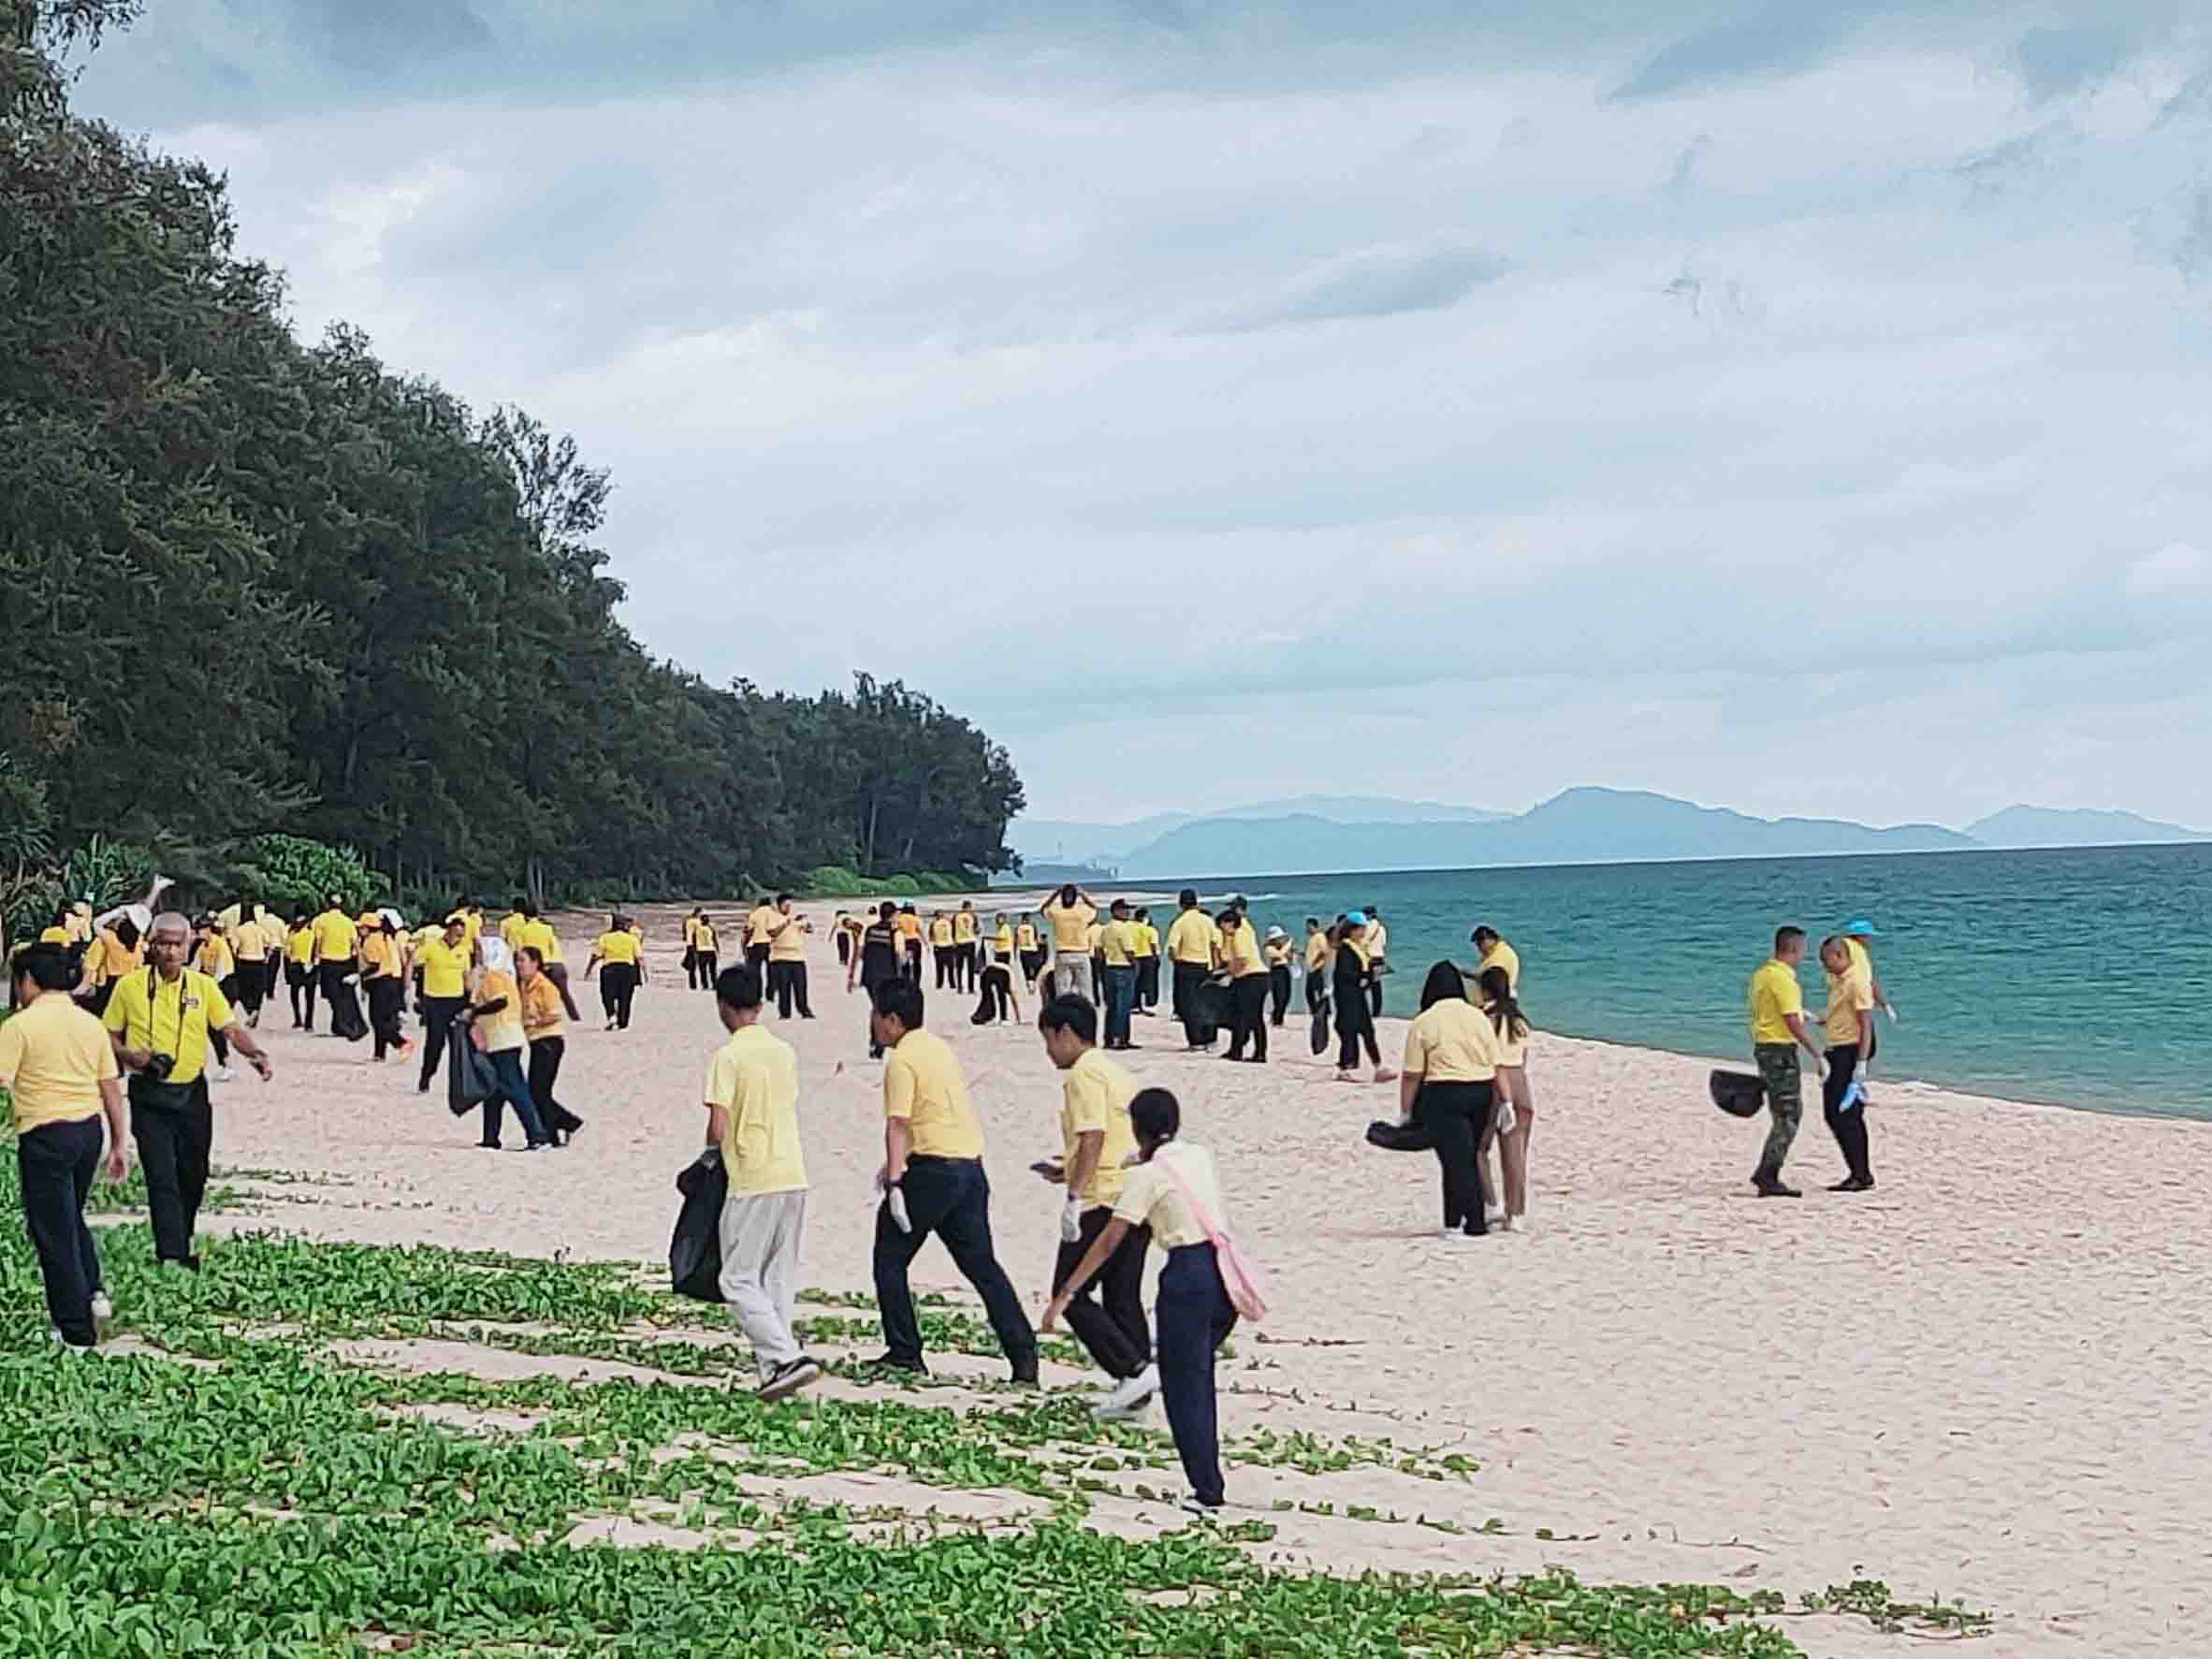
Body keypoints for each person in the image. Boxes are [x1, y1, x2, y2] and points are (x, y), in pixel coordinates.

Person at [1044, 1087, 1235, 1515]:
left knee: (1184, 1389)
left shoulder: (1144, 1177)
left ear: (1136, 1129)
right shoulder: (1197, 1156)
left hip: (1186, 1276)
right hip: (1223, 1274)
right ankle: (1208, 1482)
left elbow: (1110, 1240)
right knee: (1198, 1376)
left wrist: (1068, 1292)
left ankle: (1206, 1491)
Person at [866, 979, 1037, 1381]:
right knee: (982, 1267)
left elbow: (898, 1122)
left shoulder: (901, 1060)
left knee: (889, 1258)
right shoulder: (938, 1048)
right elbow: (933, 1112)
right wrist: (895, 1163)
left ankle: (905, 1351)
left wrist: (895, 1183)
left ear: (892, 1020)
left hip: (932, 1172)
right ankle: (1023, 1354)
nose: (872, 1022)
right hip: (969, 1168)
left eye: (876, 1015)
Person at [105, 911, 273, 1268]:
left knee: (194, 1173)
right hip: (148, 1094)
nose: (169, 951)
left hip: (191, 1095)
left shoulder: (203, 986)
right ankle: (173, 1254)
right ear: (151, 945)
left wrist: (255, 1054)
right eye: (162, 943)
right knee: (161, 1175)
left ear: (188, 947)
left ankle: (182, 1236)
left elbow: (229, 1028)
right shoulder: (129, 987)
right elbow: (109, 1034)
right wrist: (130, 1056)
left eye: (176, 944)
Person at [1, 943, 129, 1346]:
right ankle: (93, 1291)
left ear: (28, 980)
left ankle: (75, 1331)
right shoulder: (89, 1023)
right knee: (69, 1215)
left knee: (52, 1231)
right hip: (88, 1132)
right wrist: (119, 1143)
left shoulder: (20, 1026)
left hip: (46, 1134)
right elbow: (110, 1086)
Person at [704, 963, 821, 1398]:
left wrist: (708, 1157)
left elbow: (718, 1125)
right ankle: (775, 1368)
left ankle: (787, 1357)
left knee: (736, 1278)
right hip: (792, 1170)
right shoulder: (784, 1051)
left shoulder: (729, 1056)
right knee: (778, 1278)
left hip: (752, 1175)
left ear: (724, 1006)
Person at [1036, 997, 1155, 1417]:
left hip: (1102, 1197)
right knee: (1122, 1295)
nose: (1049, 1051)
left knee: (1069, 1291)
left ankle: (1133, 1370)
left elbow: (1093, 1136)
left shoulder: (1082, 1074)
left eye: (1049, 1040)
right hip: (1134, 1192)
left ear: (1066, 1033)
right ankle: (1138, 1389)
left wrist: (1073, 1197)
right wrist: (1066, 1170)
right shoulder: (1114, 1071)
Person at [1399, 962, 1506, 1239]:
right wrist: (1505, 1100)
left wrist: (1406, 1110)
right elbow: (1496, 1063)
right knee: (1467, 1157)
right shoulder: (1478, 1017)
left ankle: (1461, 1223)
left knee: (1453, 1160)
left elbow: (1412, 1074)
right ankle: (1469, 1221)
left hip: (1444, 1092)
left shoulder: (1425, 1021)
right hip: (1482, 1090)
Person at [1746, 926, 1828, 1198]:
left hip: (1763, 1045)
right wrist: (1817, 1055)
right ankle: (1768, 1174)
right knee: (1789, 1114)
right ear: (1793, 948)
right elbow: (1791, 1021)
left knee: (1780, 1111)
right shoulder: (1785, 980)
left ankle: (1767, 1172)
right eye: (1802, 949)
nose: (1804, 954)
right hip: (1780, 1049)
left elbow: (1776, 1008)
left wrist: (1810, 1016)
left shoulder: (1763, 974)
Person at [468, 938, 552, 1152]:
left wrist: (474, 1012)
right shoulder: (504, 975)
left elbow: (500, 1001)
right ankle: (490, 1137)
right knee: (494, 1089)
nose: (477, 954)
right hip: (503, 1036)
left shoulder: (493, 975)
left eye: (480, 950)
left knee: (515, 1088)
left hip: (502, 1037)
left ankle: (537, 1135)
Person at [1475, 965, 1535, 1231]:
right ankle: (1517, 1212)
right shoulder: (1520, 1021)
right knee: (1516, 1153)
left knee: (1479, 1148)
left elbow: (1486, 1056)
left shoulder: (1484, 1019)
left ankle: (1491, 1202)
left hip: (1494, 1080)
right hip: (1520, 1079)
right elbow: (1523, 1057)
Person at [1817, 937, 1876, 1192]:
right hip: (1836, 1047)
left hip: (1850, 1049)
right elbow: (1842, 1015)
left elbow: (1865, 1024)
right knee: (1833, 1113)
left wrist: (1861, 1063)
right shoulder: (1838, 981)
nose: (1824, 965)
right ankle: (1857, 1172)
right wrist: (1821, 1019)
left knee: (1845, 1114)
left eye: (1826, 960)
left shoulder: (1856, 982)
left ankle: (1861, 1175)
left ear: (1839, 955)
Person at [517, 945, 584, 1147]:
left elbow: (554, 1014)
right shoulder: (524, 985)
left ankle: (570, 1122)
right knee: (538, 1092)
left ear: (535, 963)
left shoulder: (545, 986)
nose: (519, 965)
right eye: (518, 960)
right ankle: (552, 1134)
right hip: (536, 1041)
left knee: (538, 1092)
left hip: (549, 1041)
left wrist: (533, 1022)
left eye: (523, 960)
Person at [1332, 912, 1394, 1084]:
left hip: (1357, 995)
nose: (1363, 932)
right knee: (1349, 1031)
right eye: (1360, 928)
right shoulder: (1345, 949)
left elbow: (1361, 970)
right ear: (1351, 930)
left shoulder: (1358, 947)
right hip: (1347, 996)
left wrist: (1371, 974)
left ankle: (1378, 1067)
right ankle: (1345, 1068)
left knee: (1367, 1030)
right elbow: (1345, 973)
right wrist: (1363, 977)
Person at [415, 914, 472, 1093]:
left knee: (458, 1044)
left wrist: (471, 999)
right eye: (456, 933)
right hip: (435, 1001)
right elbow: (415, 960)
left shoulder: (463, 951)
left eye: (461, 935)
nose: (458, 938)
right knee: (435, 1043)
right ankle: (426, 1077)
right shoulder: (432, 946)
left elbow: (467, 976)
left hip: (456, 1001)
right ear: (448, 930)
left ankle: (459, 1084)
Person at [849, 902, 904, 1058]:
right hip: (888, 977)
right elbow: (899, 956)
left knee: (877, 1009)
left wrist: (852, 975)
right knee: (887, 1010)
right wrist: (900, 979)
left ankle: (875, 1043)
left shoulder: (869, 930)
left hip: (869, 976)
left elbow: (859, 953)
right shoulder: (895, 933)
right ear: (893, 915)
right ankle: (881, 1043)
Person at [1165, 891, 1218, 1050]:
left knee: (1188, 1005)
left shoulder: (1180, 922)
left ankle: (1196, 1041)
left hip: (1186, 966)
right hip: (1206, 965)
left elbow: (1172, 948)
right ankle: (1210, 1038)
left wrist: (1176, 961)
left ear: (1181, 904)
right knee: (1208, 1002)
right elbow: (1215, 944)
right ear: (1196, 903)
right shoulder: (1207, 920)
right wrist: (1215, 965)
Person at [360, 914, 415, 1064]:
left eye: (362, 927)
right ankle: (379, 1053)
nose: (360, 930)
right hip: (392, 981)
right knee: (384, 1018)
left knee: (377, 1020)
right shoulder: (387, 937)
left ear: (368, 928)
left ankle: (401, 1042)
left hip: (379, 982)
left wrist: (360, 975)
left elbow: (374, 964)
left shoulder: (371, 941)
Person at [512, 904, 581, 1021]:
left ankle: (525, 1015)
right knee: (564, 993)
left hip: (533, 964)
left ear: (524, 916)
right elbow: (553, 947)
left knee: (525, 991)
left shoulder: (520, 930)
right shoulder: (548, 928)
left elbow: (519, 949)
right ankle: (575, 1016)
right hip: (550, 962)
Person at [1218, 906, 1269, 1064]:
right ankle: (1239, 1050)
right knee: (1244, 1016)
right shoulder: (1242, 933)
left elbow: (1242, 959)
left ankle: (1255, 1053)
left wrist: (1228, 973)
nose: (1222, 930)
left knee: (1249, 1017)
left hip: (1251, 978)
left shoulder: (1239, 935)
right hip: (1256, 977)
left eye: (1222, 926)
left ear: (1230, 923)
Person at [191, 917, 238, 1082]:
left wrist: (208, 987)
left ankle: (227, 1064)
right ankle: (225, 1063)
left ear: (208, 929)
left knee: (215, 1026)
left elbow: (221, 971)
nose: (198, 933)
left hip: (225, 985)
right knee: (212, 1028)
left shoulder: (219, 943)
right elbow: (195, 967)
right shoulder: (203, 947)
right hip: (213, 985)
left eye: (200, 930)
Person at [309, 894, 361, 1039]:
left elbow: (317, 941)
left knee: (333, 995)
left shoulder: (321, 920)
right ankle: (338, 1024)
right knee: (342, 994)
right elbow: (355, 944)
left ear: (327, 904)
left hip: (328, 962)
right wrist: (357, 962)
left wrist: (314, 959)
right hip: (345, 962)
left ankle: (341, 1024)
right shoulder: (348, 921)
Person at [587, 912, 645, 1031]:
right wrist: (645, 972)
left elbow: (596, 955)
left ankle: (611, 1015)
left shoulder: (605, 938)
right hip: (628, 969)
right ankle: (623, 1022)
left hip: (609, 969)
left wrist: (589, 969)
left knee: (607, 995)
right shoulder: (632, 938)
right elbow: (639, 957)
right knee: (626, 997)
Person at [1041, 884, 1099, 1001]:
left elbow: (1043, 909)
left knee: (1062, 991)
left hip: (1063, 954)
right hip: (1081, 953)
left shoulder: (1057, 912)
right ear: (1075, 897)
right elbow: (1095, 908)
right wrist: (1083, 894)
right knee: (1086, 991)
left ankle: (1064, 1011)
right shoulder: (1082, 912)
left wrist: (1055, 894)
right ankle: (1086, 1011)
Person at [1099, 899, 1142, 1050]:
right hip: (1124, 967)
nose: (1128, 912)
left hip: (1109, 968)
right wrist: (1136, 966)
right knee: (1123, 1006)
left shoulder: (1105, 928)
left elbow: (1099, 950)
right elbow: (1129, 951)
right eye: (1124, 909)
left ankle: (1109, 1039)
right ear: (1115, 911)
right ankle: (1121, 1039)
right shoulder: (1123, 929)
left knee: (1111, 1006)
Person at [225, 901, 274, 1029]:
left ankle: (250, 1010)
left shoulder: (239, 930)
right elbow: (270, 944)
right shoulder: (260, 929)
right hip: (260, 962)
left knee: (244, 991)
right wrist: (267, 957)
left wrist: (235, 956)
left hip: (245, 962)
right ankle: (256, 1010)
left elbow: (234, 948)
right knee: (258, 990)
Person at [766, 895, 814, 1019]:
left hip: (798, 957)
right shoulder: (773, 917)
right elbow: (772, 933)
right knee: (784, 987)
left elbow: (809, 930)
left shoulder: (795, 918)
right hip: (780, 957)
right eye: (786, 906)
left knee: (801, 986)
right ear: (779, 906)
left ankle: (804, 1010)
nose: (788, 908)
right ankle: (785, 1013)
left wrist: (806, 923)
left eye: (790, 906)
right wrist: (786, 923)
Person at [972, 914, 1019, 1026]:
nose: (998, 920)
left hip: (1004, 957)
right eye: (997, 919)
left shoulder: (1006, 928)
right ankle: (996, 1016)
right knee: (996, 989)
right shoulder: (999, 929)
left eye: (1001, 918)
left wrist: (987, 937)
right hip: (997, 959)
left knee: (1003, 989)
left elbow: (1003, 939)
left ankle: (1006, 1017)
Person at [1302, 919, 1333, 1055]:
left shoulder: (1319, 937)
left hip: (1317, 970)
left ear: (1314, 926)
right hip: (1311, 970)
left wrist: (1316, 961)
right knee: (1309, 993)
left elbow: (1324, 951)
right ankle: (1316, 1011)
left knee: (1319, 994)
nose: (1307, 929)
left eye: (1309, 926)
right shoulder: (1311, 939)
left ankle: (1323, 1011)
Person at [283, 912, 316, 1029]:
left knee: (295, 993)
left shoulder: (292, 935)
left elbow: (287, 953)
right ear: (307, 923)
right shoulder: (312, 934)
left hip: (295, 966)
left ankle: (297, 1019)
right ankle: (309, 1023)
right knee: (310, 996)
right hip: (309, 966)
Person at [1472, 925, 1521, 992]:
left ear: (1488, 940)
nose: (1478, 948)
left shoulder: (1501, 955)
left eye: (1479, 944)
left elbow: (1492, 979)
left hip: (1499, 994)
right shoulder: (1494, 952)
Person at [1263, 926, 1294, 1027]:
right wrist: (1288, 944)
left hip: (1285, 970)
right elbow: (1279, 955)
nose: (1280, 939)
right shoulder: (1269, 948)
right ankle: (1277, 1020)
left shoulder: (1283, 947)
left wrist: (1291, 952)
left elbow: (1289, 957)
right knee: (1279, 997)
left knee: (1287, 996)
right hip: (1276, 972)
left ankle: (1277, 1017)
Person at [1132, 906, 1160, 1015]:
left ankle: (1135, 1005)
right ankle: (1150, 1005)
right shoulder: (1150, 930)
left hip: (1134, 957)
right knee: (1150, 983)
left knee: (1136, 983)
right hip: (1148, 957)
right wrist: (1156, 957)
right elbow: (1153, 945)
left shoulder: (1130, 928)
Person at [1363, 906, 1390, 1018]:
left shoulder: (1365, 927)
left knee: (1365, 983)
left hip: (1369, 959)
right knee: (1376, 986)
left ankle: (1362, 1008)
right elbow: (1383, 943)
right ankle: (1376, 1012)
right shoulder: (1381, 928)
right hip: (1379, 959)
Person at [953, 901, 980, 992]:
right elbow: (976, 930)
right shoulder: (973, 916)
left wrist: (953, 941)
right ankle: (970, 988)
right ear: (969, 907)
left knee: (959, 967)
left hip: (959, 943)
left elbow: (952, 930)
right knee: (970, 967)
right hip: (970, 943)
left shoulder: (956, 916)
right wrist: (978, 931)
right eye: (970, 907)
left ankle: (960, 987)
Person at [895, 902, 924, 982]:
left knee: (904, 963)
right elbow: (920, 931)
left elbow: (896, 929)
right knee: (917, 963)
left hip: (904, 942)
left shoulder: (899, 918)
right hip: (915, 942)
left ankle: (906, 981)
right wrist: (926, 943)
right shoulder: (916, 918)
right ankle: (917, 982)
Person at [1016, 913, 1045, 993]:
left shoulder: (1018, 927)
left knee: (1026, 969)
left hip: (1023, 950)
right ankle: (1033, 982)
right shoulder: (1033, 925)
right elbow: (1036, 938)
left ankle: (1030, 983)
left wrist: (1014, 952)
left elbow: (1016, 941)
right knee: (1036, 966)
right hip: (1032, 950)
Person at [929, 910, 957, 989]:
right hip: (949, 946)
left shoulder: (933, 923)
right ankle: (952, 984)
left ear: (935, 916)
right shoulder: (949, 922)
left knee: (939, 967)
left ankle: (939, 985)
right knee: (950, 967)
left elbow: (931, 938)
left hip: (939, 947)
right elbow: (954, 934)